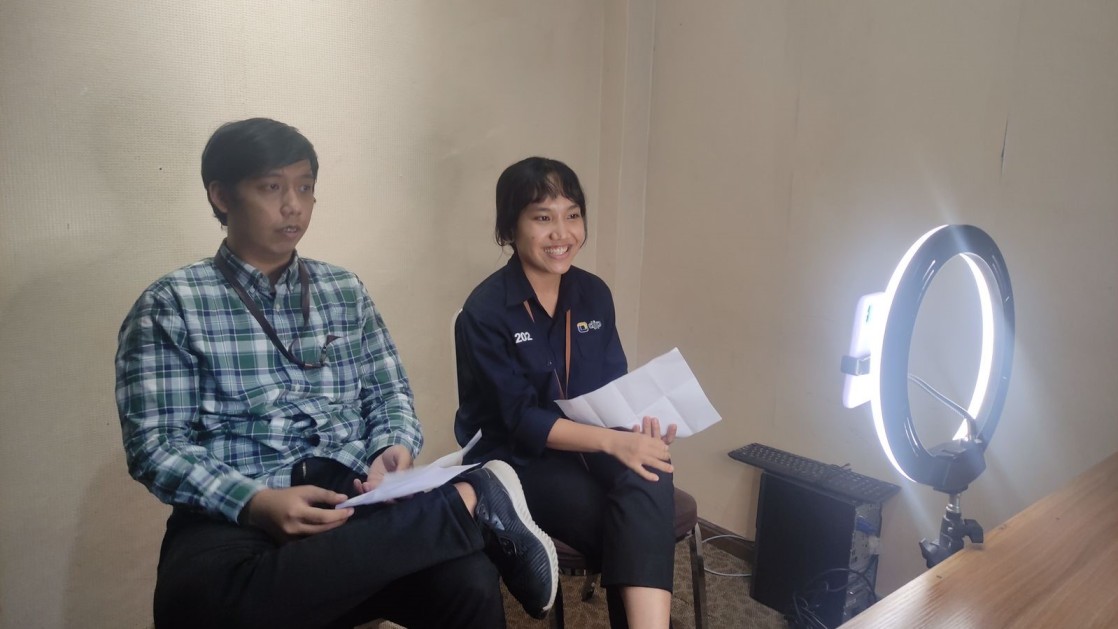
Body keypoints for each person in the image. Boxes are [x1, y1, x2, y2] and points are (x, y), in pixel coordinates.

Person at [114, 118, 558, 629]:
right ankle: (466, 501)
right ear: (221, 196)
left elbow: (389, 393)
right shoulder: (172, 304)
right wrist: (255, 502)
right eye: (271, 188)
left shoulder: (343, 290)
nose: (293, 206)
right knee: (200, 606)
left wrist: (392, 446)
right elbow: (155, 445)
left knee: (467, 579)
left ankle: (458, 508)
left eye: (305, 187)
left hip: (352, 497)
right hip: (233, 510)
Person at [454, 156, 678, 629]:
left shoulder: (593, 294)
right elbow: (519, 420)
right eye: (543, 217)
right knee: (627, 524)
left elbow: (614, 384)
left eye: (572, 215)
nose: (562, 233)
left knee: (650, 470)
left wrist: (640, 427)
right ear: (509, 228)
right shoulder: (485, 310)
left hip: (592, 439)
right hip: (514, 459)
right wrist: (614, 443)